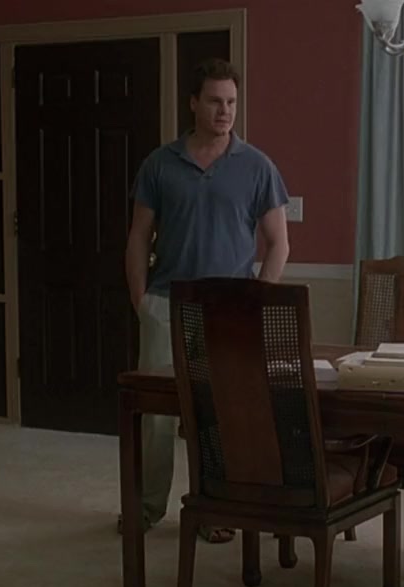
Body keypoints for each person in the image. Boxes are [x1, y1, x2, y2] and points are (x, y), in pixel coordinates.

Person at [123, 58, 290, 544]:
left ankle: (215, 510)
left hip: (229, 312)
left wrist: (256, 300)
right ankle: (146, 508)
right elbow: (138, 236)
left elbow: (278, 243)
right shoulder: (160, 164)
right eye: (215, 101)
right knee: (155, 417)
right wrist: (141, 300)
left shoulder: (257, 166)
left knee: (220, 415)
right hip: (166, 303)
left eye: (232, 102)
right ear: (194, 103)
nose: (225, 111)